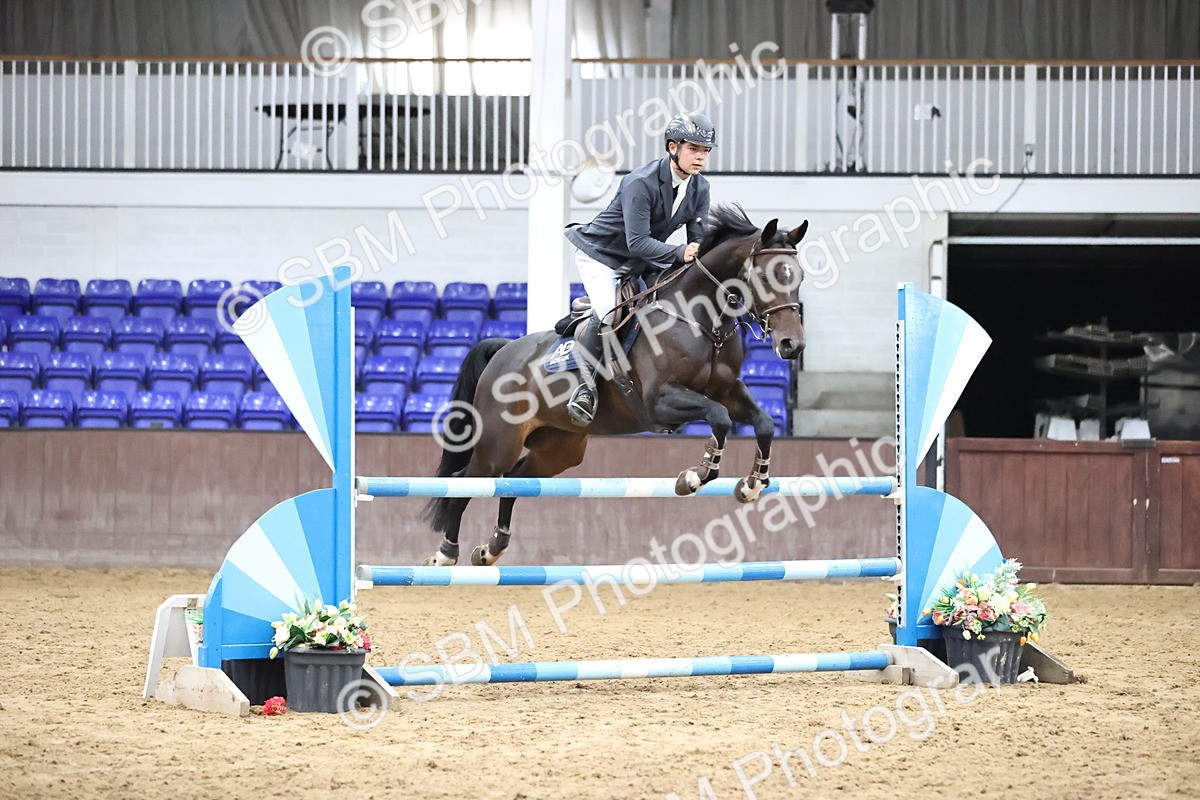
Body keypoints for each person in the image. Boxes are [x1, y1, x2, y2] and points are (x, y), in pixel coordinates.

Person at [562, 112, 715, 426]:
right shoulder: (640, 182)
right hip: (602, 256)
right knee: (607, 310)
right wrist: (679, 252)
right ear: (672, 147)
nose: (700, 156)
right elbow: (637, 242)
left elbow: (696, 240)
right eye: (693, 149)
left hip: (643, 260)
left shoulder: (700, 188)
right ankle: (586, 388)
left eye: (705, 151)